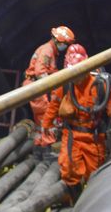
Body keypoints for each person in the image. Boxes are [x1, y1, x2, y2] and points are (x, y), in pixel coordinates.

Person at [42, 44, 111, 199]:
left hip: (93, 138)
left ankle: (90, 201)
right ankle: (74, 200)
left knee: (93, 173)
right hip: (72, 134)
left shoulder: (100, 84)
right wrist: (46, 124)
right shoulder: (65, 83)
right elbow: (54, 105)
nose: (76, 77)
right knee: (69, 168)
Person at [24, 26, 75, 159]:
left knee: (41, 120)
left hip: (36, 86)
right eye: (66, 44)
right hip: (38, 87)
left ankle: (38, 150)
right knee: (47, 116)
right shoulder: (47, 50)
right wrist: (52, 89)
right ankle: (47, 151)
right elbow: (40, 72)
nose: (66, 47)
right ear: (59, 41)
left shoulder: (51, 51)